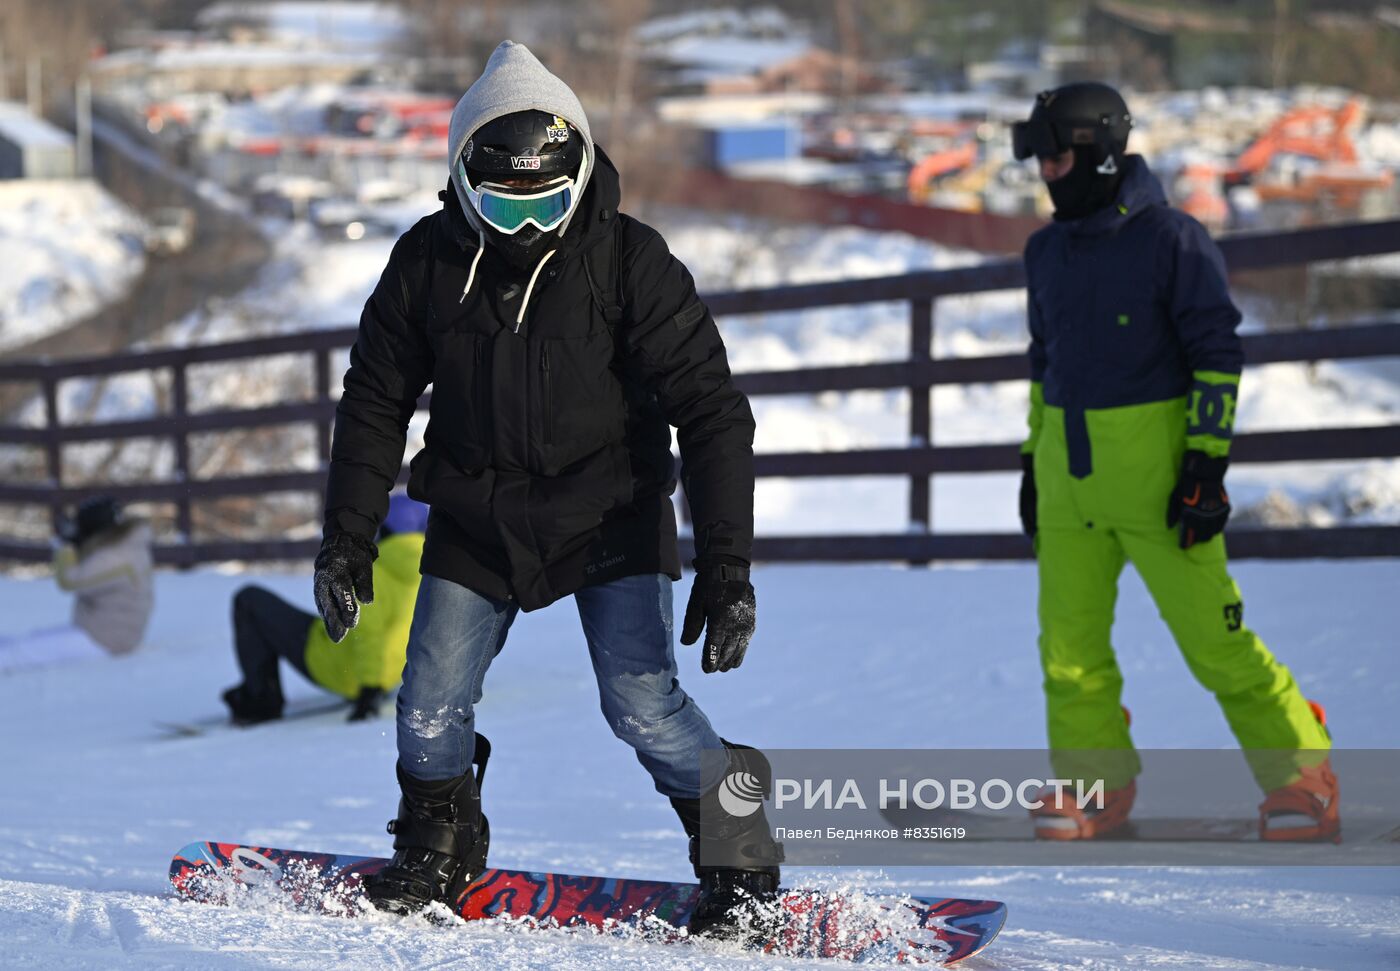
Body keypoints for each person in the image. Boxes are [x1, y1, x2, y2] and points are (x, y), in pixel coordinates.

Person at [312, 41, 781, 932]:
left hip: (610, 507)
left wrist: (729, 566)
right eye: (500, 204)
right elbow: (374, 399)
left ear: (583, 174)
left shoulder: (630, 261)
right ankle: (437, 843)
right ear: (460, 181)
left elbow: (714, 410)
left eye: (548, 204)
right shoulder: (426, 262)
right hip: (479, 511)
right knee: (426, 705)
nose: (526, 229)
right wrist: (347, 538)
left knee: (642, 704)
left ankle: (739, 839)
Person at [1012, 82, 1338, 843]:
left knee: (1215, 642)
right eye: (1042, 159)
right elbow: (1042, 366)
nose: (1048, 173)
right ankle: (1097, 787)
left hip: (1162, 486)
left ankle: (1304, 775)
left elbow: (1217, 356)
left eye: (1058, 156)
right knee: (1068, 650)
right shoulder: (1044, 251)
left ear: (1097, 149)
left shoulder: (1172, 239)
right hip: (1069, 483)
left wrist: (1205, 466)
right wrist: (1034, 463)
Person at [221, 493, 428, 724]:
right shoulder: (429, 573)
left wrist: (369, 691)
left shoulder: (373, 571)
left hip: (344, 670)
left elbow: (368, 633)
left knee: (249, 600)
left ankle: (260, 700)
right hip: (391, 676)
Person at [0, 496, 154, 675]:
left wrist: (66, 546)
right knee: (23, 641)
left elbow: (70, 581)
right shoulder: (125, 546)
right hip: (106, 632)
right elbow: (90, 565)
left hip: (105, 640)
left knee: (19, 654)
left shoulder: (115, 558)